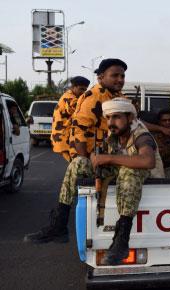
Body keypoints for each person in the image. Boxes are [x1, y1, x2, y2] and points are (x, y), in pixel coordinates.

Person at [24, 58, 127, 245]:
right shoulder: (92, 97)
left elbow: (136, 121)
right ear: (101, 77)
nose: (120, 79)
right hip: (98, 159)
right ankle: (59, 225)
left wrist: (160, 129)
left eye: (122, 76)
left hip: (120, 159)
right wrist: (86, 159)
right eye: (115, 75)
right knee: (78, 164)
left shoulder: (118, 97)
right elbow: (79, 131)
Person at [90, 97, 157, 264]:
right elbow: (100, 156)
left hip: (150, 180)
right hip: (122, 180)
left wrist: (109, 159)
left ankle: (122, 239)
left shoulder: (141, 135)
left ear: (130, 118)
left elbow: (148, 161)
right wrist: (95, 159)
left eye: (117, 117)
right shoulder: (113, 136)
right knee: (78, 163)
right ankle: (60, 221)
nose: (111, 122)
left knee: (129, 169)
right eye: (108, 118)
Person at [51, 76, 90, 162]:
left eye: (85, 90)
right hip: (64, 137)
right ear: (73, 87)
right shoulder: (69, 97)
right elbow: (75, 107)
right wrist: (88, 96)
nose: (83, 92)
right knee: (76, 165)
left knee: (76, 165)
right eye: (81, 89)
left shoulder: (71, 96)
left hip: (64, 137)